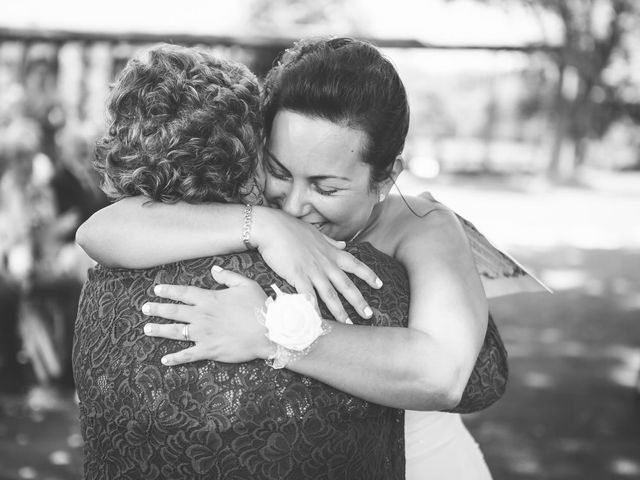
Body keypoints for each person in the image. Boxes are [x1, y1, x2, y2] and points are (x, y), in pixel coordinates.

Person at [78, 38, 512, 479]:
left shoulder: (424, 225)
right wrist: (262, 226)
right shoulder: (254, 204)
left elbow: (441, 375)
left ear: (386, 177)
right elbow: (100, 230)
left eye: (326, 188)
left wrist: (273, 334)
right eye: (280, 172)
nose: (294, 205)